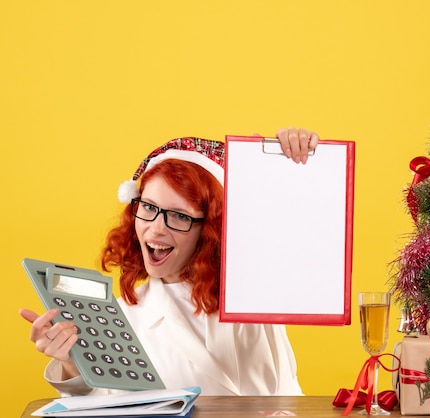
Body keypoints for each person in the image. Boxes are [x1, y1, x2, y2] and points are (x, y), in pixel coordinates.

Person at [19, 127, 320, 397]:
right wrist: (73, 365)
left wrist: (294, 160)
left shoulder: (256, 285)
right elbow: (107, 406)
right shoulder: (120, 318)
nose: (156, 228)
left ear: (212, 229)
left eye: (179, 215)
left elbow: (302, 233)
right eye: (149, 207)